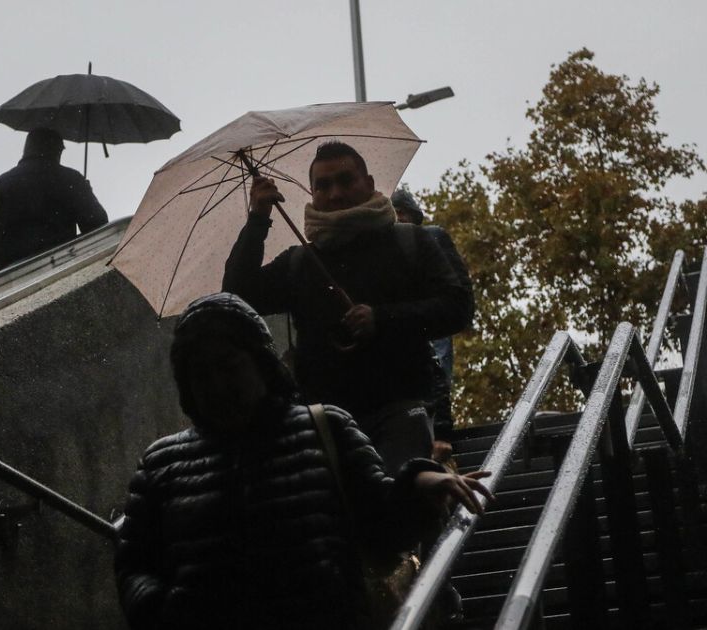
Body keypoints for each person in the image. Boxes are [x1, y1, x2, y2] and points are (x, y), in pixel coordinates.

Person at [114, 292, 492, 630]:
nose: (216, 385)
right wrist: (159, 611)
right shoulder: (160, 464)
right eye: (200, 374)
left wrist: (418, 484)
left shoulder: (325, 427)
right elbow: (134, 564)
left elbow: (383, 527)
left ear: (262, 363)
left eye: (228, 366)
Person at [223, 141, 474, 473]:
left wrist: (382, 319)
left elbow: (458, 307)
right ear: (312, 193)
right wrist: (258, 219)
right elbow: (238, 296)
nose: (335, 193)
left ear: (369, 184)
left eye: (346, 180)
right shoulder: (300, 262)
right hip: (325, 424)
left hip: (402, 410)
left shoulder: (411, 242)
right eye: (323, 185)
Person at [391, 188, 472, 442]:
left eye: (400, 213)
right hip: (408, 321)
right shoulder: (387, 250)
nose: (397, 218)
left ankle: (441, 430)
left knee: (437, 364)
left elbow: (459, 286)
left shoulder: (432, 236)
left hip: (433, 317)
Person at [0, 128, 108, 263]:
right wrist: (83, 190)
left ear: (26, 150)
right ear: (57, 150)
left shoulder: (1, 183)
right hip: (57, 265)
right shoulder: (70, 179)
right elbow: (97, 223)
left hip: (11, 272)